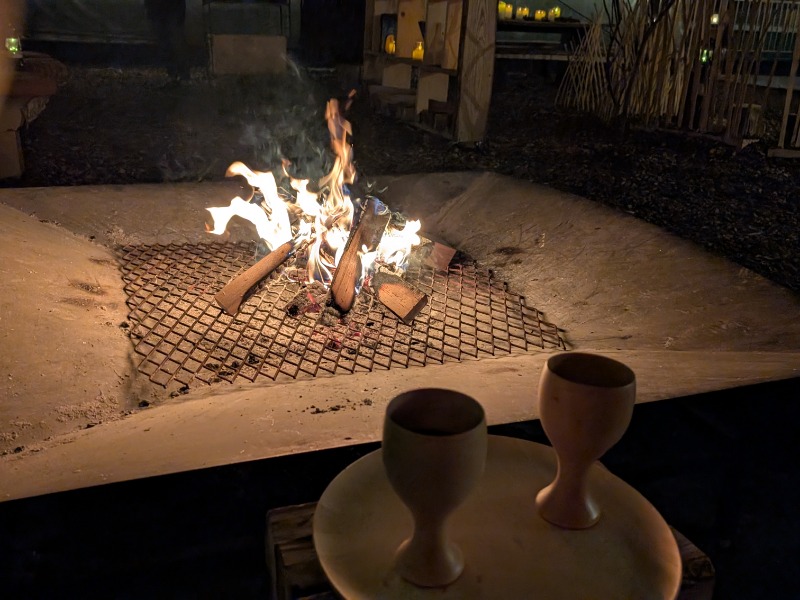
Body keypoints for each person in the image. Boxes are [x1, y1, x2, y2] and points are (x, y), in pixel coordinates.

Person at [144, 0, 190, 81]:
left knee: (174, 39)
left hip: (170, 7)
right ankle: (175, 74)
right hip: (159, 8)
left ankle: (181, 74)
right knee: (166, 41)